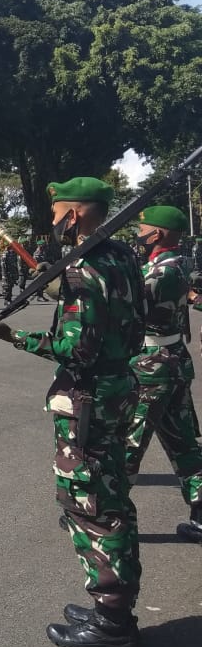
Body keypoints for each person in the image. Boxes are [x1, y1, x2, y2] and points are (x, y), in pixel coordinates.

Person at [0, 177, 144, 647]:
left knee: (93, 505)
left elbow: (77, 349)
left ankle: (113, 620)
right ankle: (110, 604)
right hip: (118, 388)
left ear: (74, 216)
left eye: (57, 212)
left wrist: (13, 337)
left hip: (88, 397)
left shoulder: (84, 268)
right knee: (113, 496)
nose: (53, 221)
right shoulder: (124, 257)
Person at [127, 206, 202, 543]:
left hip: (152, 366)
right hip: (172, 362)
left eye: (141, 230)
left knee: (127, 442)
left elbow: (121, 303)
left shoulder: (160, 273)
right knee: (185, 444)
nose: (138, 236)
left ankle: (104, 515)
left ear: (155, 234)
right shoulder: (181, 263)